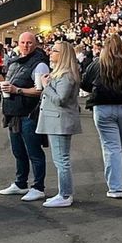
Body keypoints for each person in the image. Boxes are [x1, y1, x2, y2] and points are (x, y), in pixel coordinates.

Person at [81, 33, 122, 199]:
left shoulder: (97, 65)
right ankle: (118, 179)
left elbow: (86, 84)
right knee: (121, 146)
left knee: (111, 147)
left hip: (103, 108)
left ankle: (115, 186)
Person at [0, 32, 50, 202]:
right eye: (23, 42)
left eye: (29, 42)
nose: (26, 45)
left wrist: (17, 90)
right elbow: (11, 82)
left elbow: (41, 90)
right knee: (18, 152)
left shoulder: (40, 64)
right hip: (13, 113)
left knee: (34, 152)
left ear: (35, 44)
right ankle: (21, 183)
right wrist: (5, 89)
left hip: (29, 114)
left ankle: (38, 187)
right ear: (17, 44)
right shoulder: (15, 62)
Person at [35, 41, 82, 208]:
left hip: (60, 121)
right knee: (59, 159)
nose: (50, 52)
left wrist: (46, 86)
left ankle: (65, 194)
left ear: (63, 55)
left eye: (54, 51)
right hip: (56, 120)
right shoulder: (61, 73)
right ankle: (63, 193)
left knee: (61, 159)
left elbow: (60, 99)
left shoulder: (66, 75)